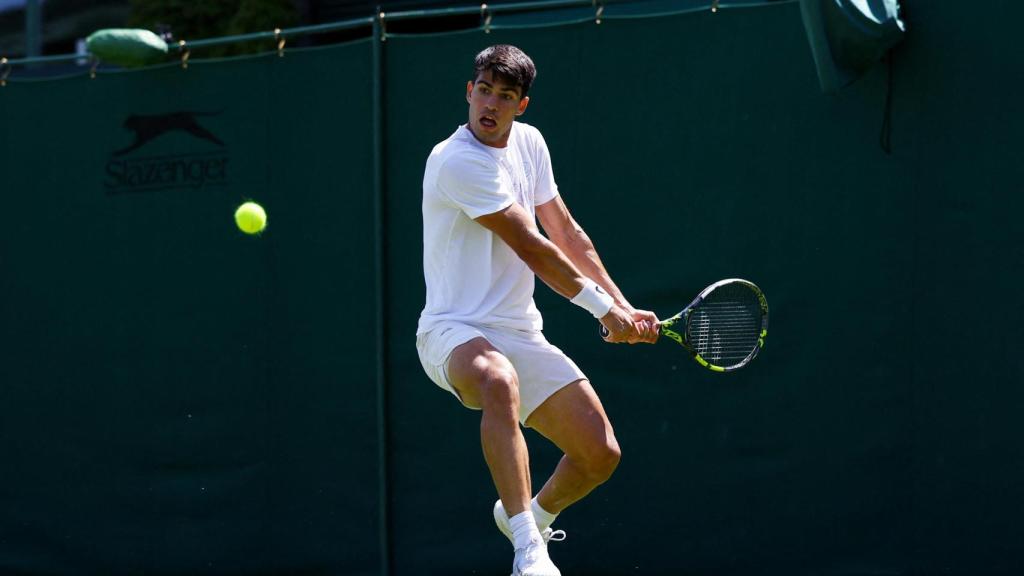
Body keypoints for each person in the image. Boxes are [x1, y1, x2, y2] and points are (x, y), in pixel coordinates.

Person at [415, 44, 659, 576]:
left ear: (521, 105)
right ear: (469, 91)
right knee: (498, 381)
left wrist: (621, 305)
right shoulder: (456, 160)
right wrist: (601, 311)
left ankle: (526, 514)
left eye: (505, 96)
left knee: (599, 454)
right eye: (484, 90)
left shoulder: (529, 144)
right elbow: (532, 245)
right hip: (453, 331)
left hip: (519, 331)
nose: (491, 104)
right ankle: (528, 549)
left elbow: (566, 233)